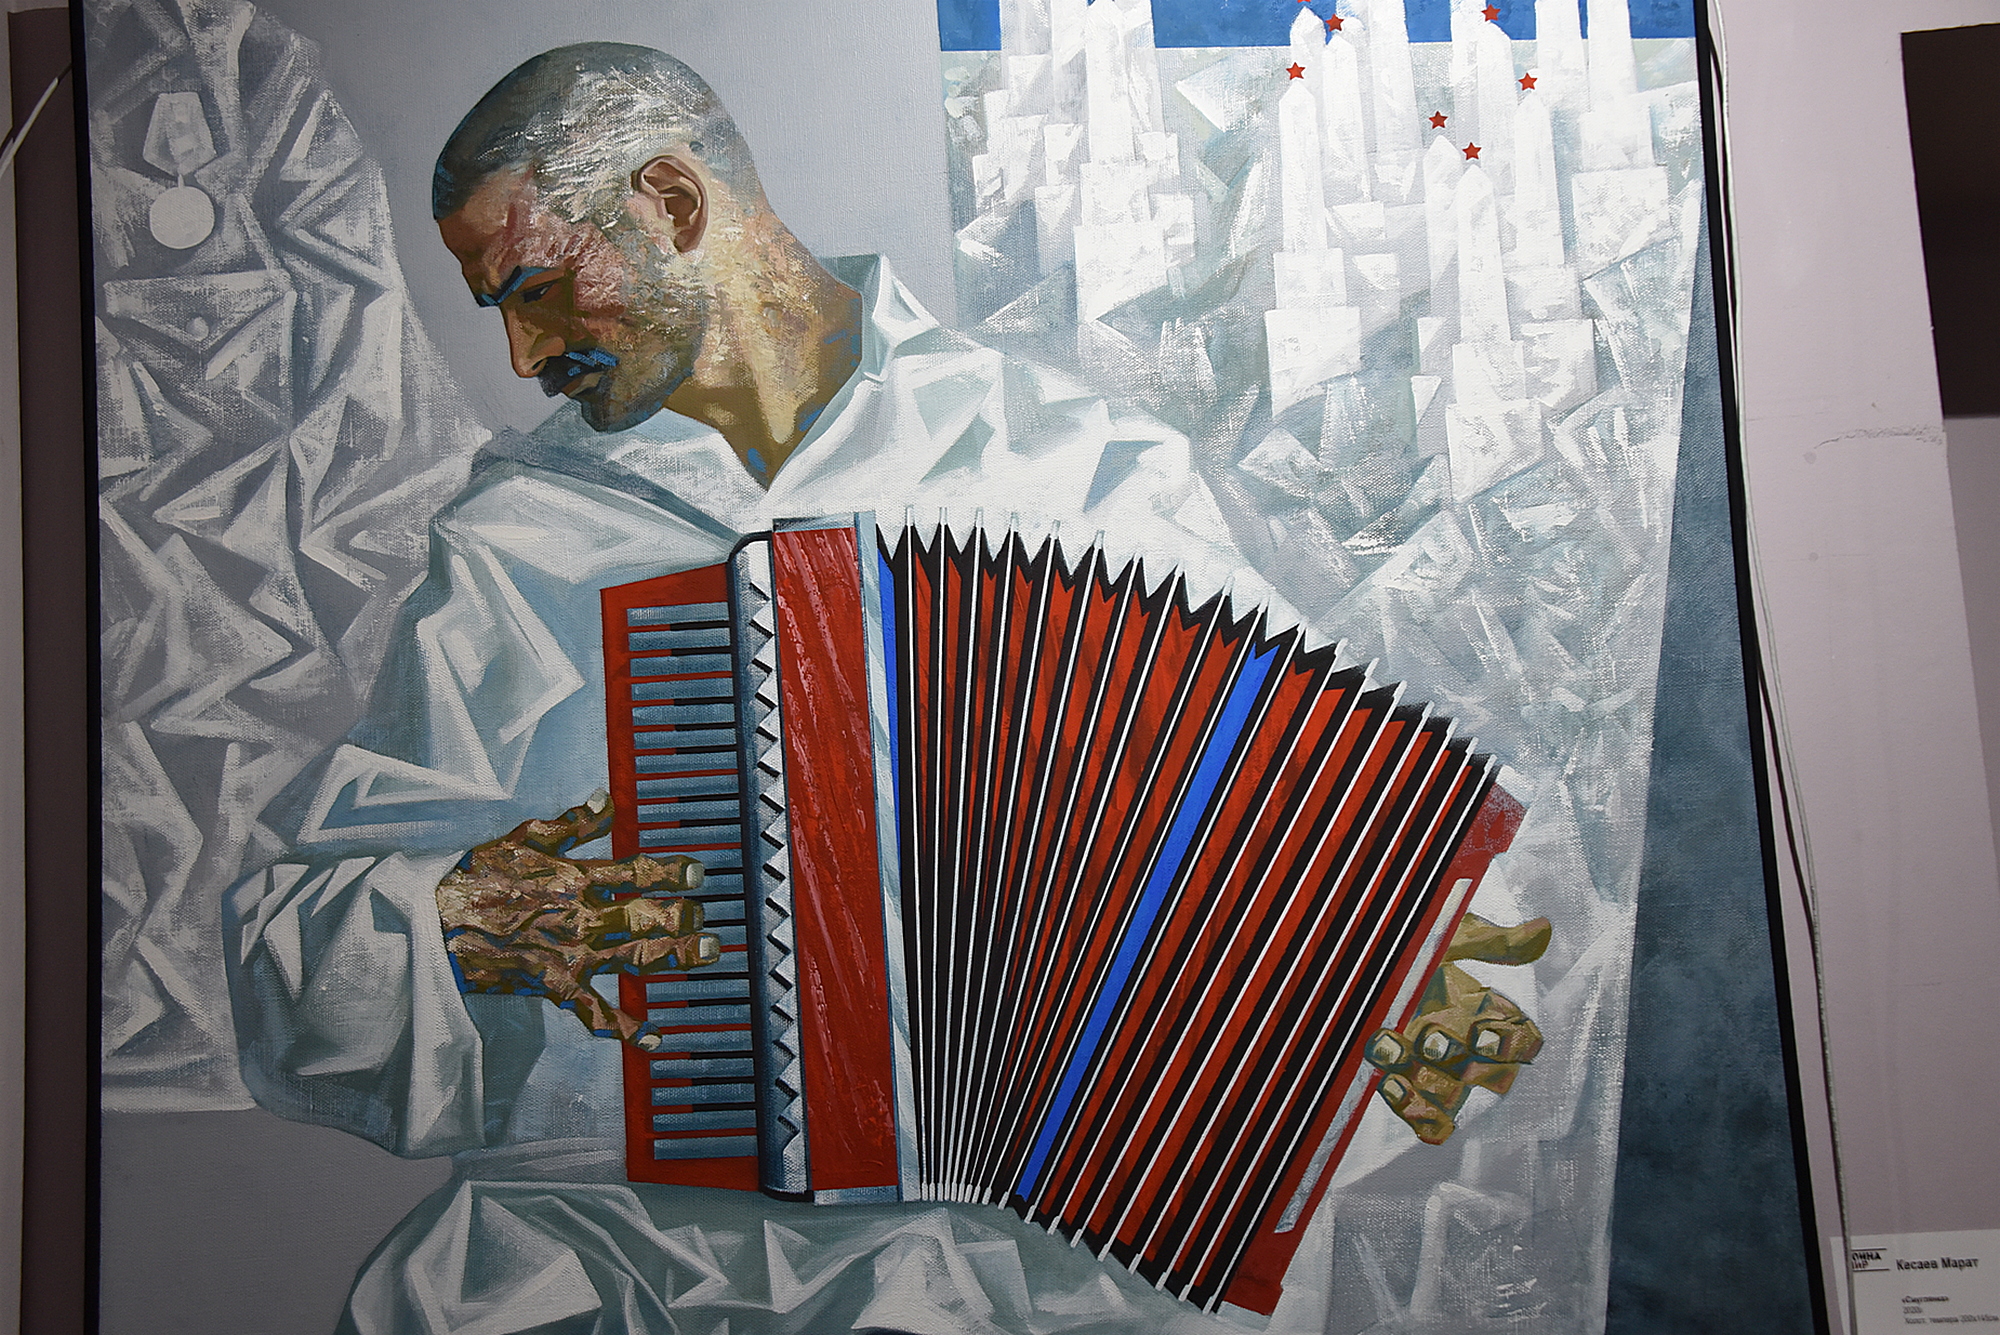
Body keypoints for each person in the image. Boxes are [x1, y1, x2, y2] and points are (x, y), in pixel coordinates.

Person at [228, 43, 1544, 1333]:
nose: (524, 356)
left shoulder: (1076, 469)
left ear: (672, 202)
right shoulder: (524, 540)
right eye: (498, 310)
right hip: (629, 1261)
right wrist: (457, 918)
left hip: (1024, 1277)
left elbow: (1361, 845)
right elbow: (294, 967)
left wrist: (1426, 1006)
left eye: (539, 289)